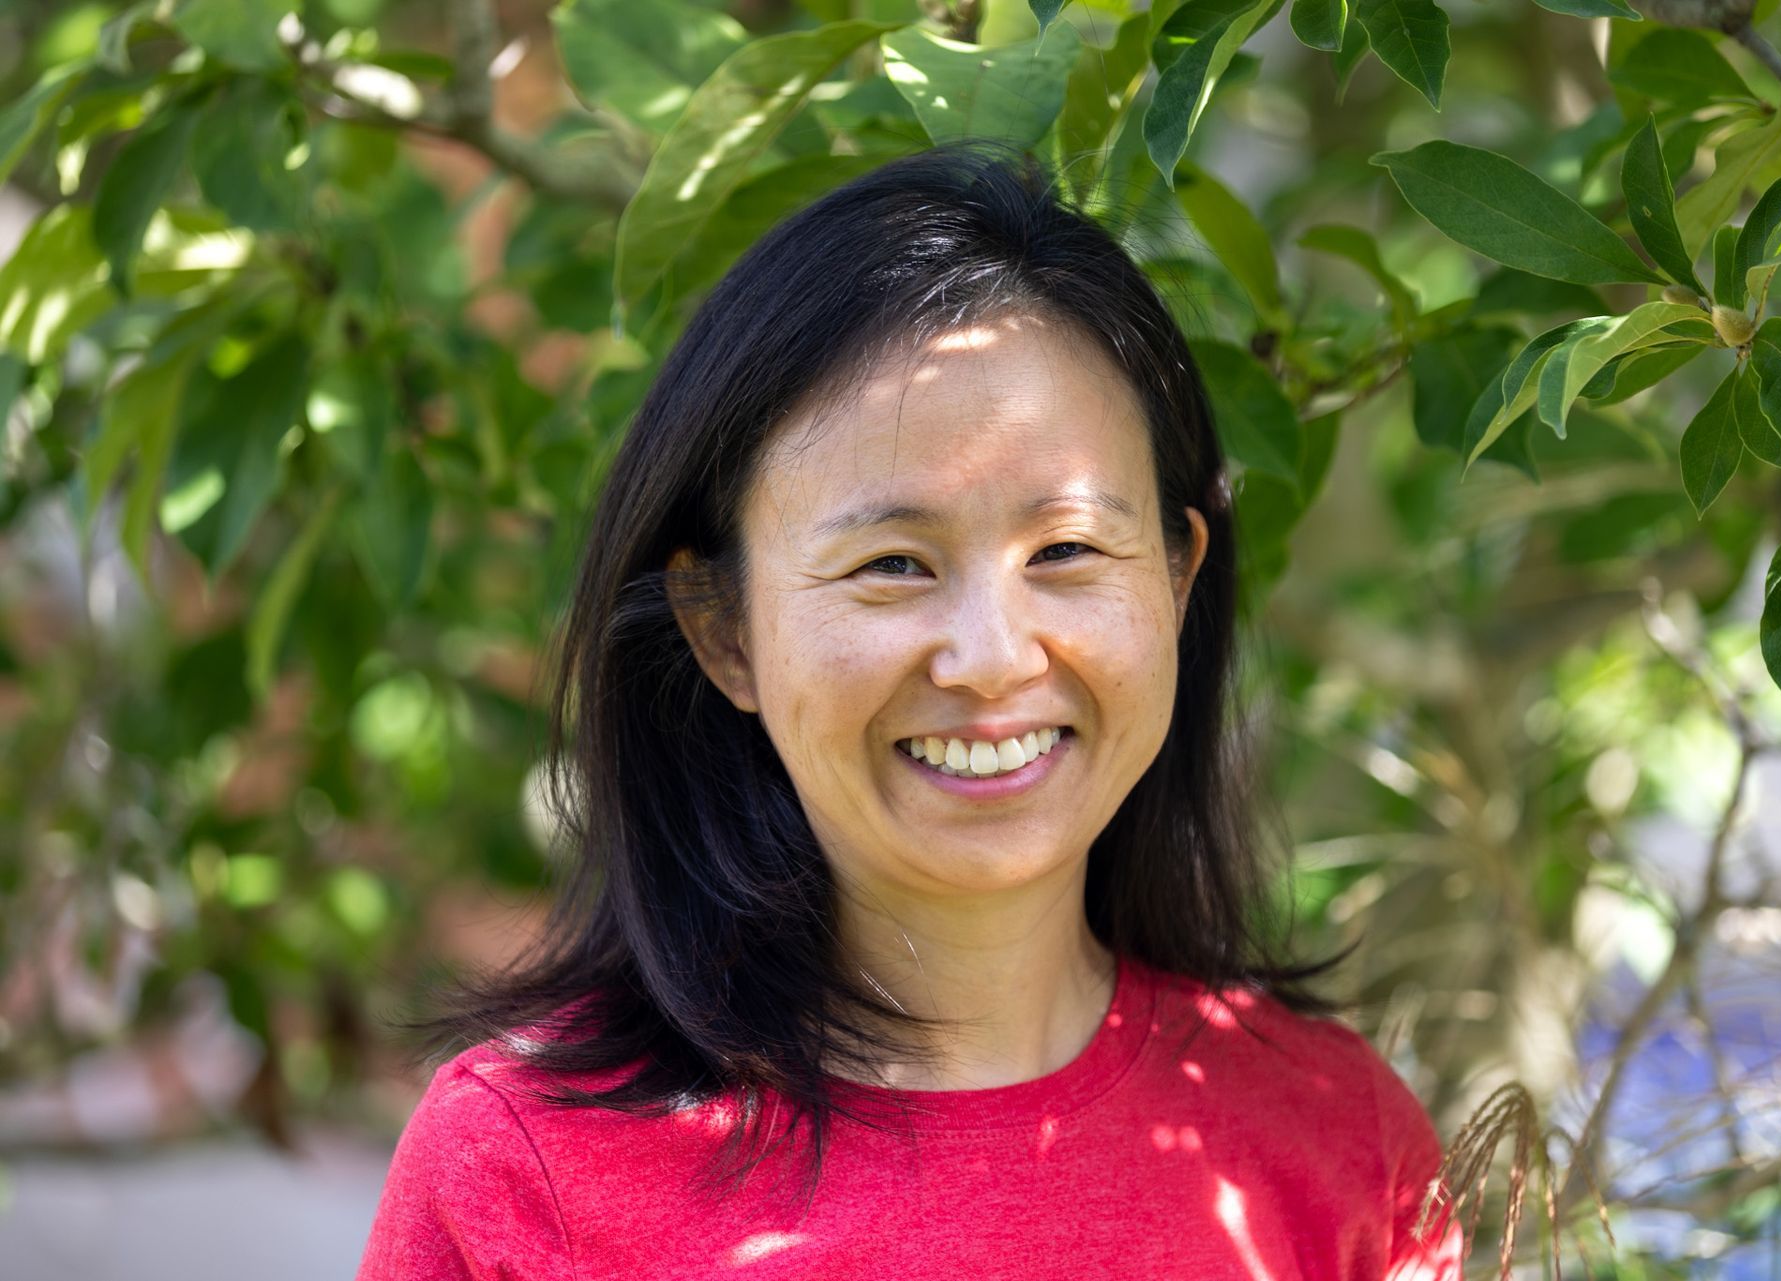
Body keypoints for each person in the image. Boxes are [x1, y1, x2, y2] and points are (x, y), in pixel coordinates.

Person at [355, 139, 1465, 1280]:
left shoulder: (1337, 1137)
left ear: (1177, 583)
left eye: (1069, 549)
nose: (991, 659)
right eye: (891, 564)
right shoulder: (522, 1170)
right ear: (722, 628)